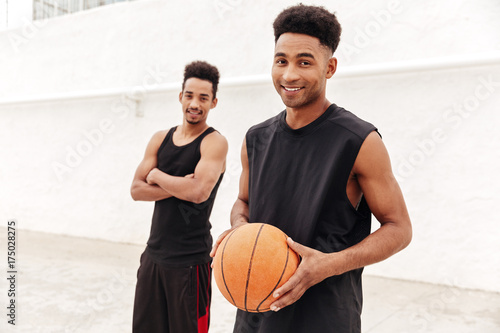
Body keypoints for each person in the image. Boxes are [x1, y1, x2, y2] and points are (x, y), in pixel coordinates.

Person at [210, 4, 412, 333]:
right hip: (256, 307)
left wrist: (328, 264)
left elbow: (399, 229)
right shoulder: (255, 138)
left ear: (329, 67)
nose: (289, 74)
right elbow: (243, 202)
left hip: (324, 315)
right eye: (281, 61)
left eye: (305, 62)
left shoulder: (359, 140)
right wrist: (239, 231)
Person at [130, 60, 228, 333]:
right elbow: (136, 190)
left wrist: (158, 176)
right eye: (190, 95)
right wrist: (177, 187)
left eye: (203, 98)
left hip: (189, 263)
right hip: (153, 257)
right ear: (180, 96)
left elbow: (198, 193)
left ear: (214, 102)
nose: (195, 103)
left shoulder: (214, 142)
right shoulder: (160, 138)